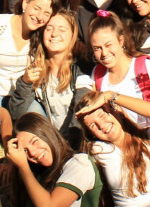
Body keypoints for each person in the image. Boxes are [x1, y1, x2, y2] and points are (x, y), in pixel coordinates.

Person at [9, 10, 93, 144]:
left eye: (62, 30)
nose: (54, 34)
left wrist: (67, 146)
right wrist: (26, 82)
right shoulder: (36, 68)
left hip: (76, 141)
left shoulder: (81, 69)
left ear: (72, 35)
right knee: (32, 108)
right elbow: (17, 114)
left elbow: (81, 110)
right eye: (49, 29)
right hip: (49, 141)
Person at [0, 0, 57, 107]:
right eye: (36, 8)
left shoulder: (42, 36)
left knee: (39, 122)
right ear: (25, 3)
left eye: (47, 13)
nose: (40, 17)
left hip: (22, 95)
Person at [88, 11, 150, 131]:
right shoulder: (97, 74)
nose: (104, 53)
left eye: (108, 45)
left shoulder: (145, 67)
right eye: (97, 48)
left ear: (121, 41)